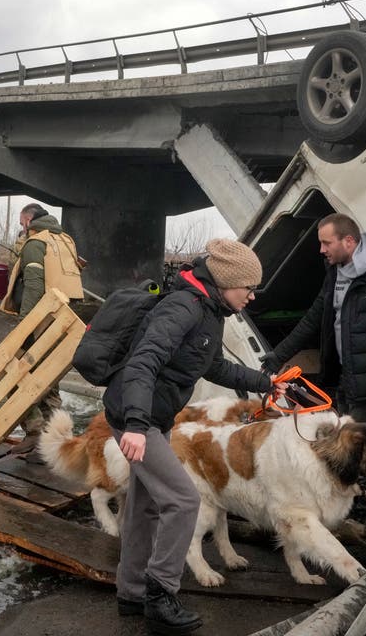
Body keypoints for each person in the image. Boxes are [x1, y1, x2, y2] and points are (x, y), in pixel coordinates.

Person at [103, 239, 286, 632]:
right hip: (137, 416)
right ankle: (161, 595)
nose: (252, 297)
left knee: (144, 506)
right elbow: (142, 362)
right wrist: (135, 425)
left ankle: (131, 593)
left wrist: (265, 382)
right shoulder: (182, 308)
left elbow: (214, 366)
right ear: (226, 282)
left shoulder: (210, 311)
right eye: (248, 288)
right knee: (184, 499)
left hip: (156, 416)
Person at [262, 213, 366, 424]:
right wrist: (277, 357)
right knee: (344, 442)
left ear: (348, 241)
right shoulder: (335, 273)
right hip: (345, 380)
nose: (322, 250)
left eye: (326, 243)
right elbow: (312, 319)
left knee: (353, 448)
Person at [3, 203, 84, 454]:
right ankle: (55, 439)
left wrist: (25, 327)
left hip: (41, 320)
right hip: (64, 319)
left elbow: (34, 286)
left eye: (21, 223)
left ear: (28, 221)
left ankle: (35, 433)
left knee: (14, 377)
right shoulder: (63, 241)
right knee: (49, 380)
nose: (21, 228)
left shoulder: (36, 243)